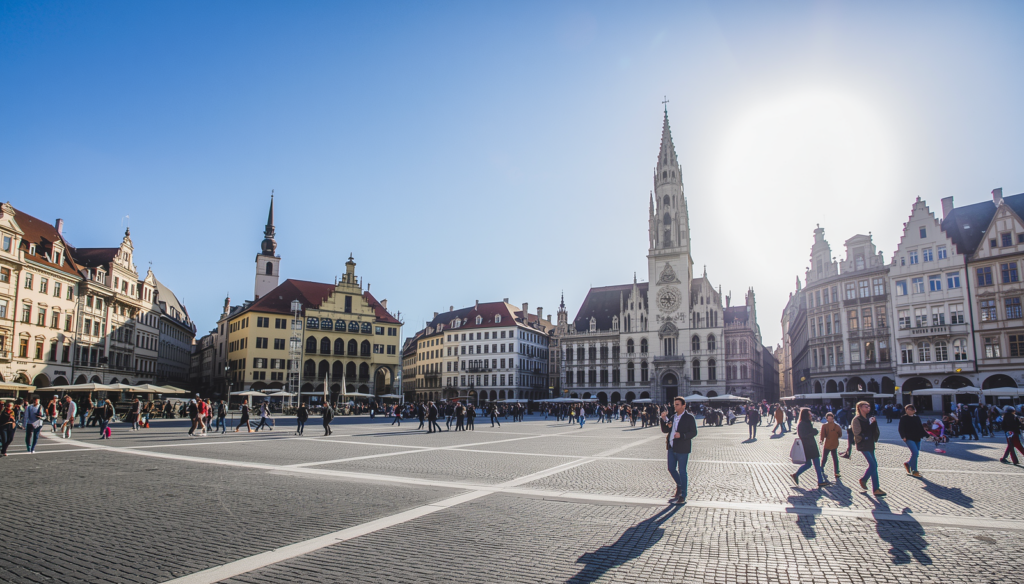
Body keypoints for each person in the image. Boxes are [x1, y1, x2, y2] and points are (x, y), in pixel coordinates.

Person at [660, 397, 697, 505]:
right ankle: (680, 486)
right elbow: (665, 430)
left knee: (682, 471)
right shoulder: (672, 417)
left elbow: (694, 432)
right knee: (671, 468)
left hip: (683, 448)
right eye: (674, 404)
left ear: (683, 406)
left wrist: (682, 435)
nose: (675, 406)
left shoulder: (689, 418)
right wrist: (663, 419)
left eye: (677, 404)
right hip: (671, 447)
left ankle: (683, 495)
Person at [851, 400, 885, 496]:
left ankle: (876, 489)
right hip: (863, 444)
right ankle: (864, 479)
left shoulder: (869, 418)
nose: (868, 408)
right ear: (860, 408)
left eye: (869, 407)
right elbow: (857, 433)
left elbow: (874, 431)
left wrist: (874, 424)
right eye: (866, 407)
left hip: (870, 443)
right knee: (873, 465)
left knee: (874, 465)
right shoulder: (857, 419)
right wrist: (863, 438)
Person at [791, 408, 830, 488]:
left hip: (810, 445)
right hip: (808, 446)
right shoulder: (802, 424)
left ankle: (796, 474)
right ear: (806, 415)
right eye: (809, 413)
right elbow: (803, 435)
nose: (811, 415)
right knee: (815, 464)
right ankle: (820, 481)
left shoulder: (807, 423)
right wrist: (813, 432)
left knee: (809, 464)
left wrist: (813, 431)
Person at [898, 404, 927, 477]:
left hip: (917, 437)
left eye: (910, 409)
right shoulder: (903, 418)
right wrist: (903, 436)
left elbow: (921, 428)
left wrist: (928, 435)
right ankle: (912, 468)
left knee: (916, 455)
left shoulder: (917, 418)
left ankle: (911, 467)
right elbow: (900, 428)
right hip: (908, 438)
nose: (908, 411)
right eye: (907, 409)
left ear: (914, 411)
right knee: (915, 452)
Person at [819, 412, 843, 479]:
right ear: (826, 419)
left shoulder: (837, 426)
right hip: (827, 444)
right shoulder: (824, 426)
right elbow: (822, 434)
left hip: (834, 444)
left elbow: (840, 434)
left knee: (835, 458)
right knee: (824, 457)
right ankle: (821, 468)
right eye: (828, 418)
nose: (830, 419)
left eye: (831, 418)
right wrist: (821, 440)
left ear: (833, 418)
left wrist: (835, 436)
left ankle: (836, 472)